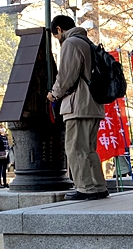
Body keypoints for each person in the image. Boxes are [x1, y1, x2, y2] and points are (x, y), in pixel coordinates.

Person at [46, 14, 108, 201]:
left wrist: (53, 94)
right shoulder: (87, 42)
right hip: (94, 105)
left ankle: (85, 188)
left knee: (74, 149)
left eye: (55, 35)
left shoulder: (70, 43)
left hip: (77, 106)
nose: (57, 40)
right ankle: (99, 186)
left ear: (58, 29)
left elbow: (66, 77)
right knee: (89, 149)